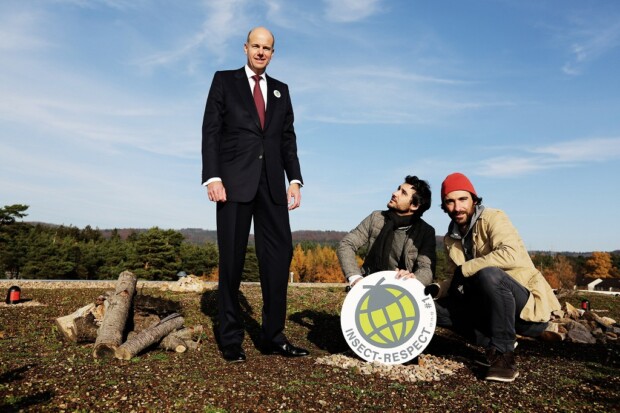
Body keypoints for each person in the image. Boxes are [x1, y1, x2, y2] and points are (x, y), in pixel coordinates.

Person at [202, 27, 308, 362]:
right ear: (246, 48)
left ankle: (273, 336)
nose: (261, 52)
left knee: (278, 259)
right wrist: (212, 177)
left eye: (268, 48)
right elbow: (211, 131)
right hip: (233, 183)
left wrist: (295, 180)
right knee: (232, 260)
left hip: (272, 186)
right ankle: (231, 338)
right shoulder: (224, 80)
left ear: (273, 53)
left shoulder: (281, 91)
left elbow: (287, 138)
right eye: (256, 46)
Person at [434, 172, 561, 382]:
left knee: (488, 274)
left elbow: (510, 253)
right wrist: (433, 289)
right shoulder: (450, 238)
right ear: (444, 205)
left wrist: (466, 269)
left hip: (525, 310)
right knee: (430, 308)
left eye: (462, 199)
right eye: (450, 201)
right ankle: (494, 341)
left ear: (474, 199)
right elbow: (453, 276)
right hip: (489, 310)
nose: (457, 208)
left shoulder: (494, 217)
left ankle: (504, 357)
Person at [337, 176, 436, 289]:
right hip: (370, 285)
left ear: (414, 205)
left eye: (403, 193)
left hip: (403, 289)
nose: (395, 193)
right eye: (398, 189)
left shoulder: (426, 231)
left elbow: (426, 269)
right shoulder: (376, 218)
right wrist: (355, 278)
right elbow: (346, 244)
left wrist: (412, 279)